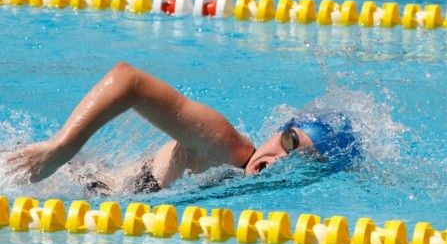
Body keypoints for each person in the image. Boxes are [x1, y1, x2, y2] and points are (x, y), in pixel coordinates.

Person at [5, 62, 360, 194]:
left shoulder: (251, 188)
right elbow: (129, 81)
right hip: (60, 180)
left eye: (302, 162)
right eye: (290, 141)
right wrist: (59, 148)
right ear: (280, 129)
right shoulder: (225, 144)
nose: (279, 160)